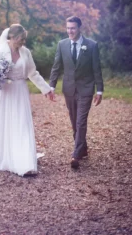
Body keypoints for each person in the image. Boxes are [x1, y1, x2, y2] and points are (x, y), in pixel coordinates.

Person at [0, 24, 54, 176]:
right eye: (21, 39)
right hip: (5, 93)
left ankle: (24, 161)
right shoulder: (1, 51)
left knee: (21, 123)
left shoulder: (26, 52)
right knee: (4, 122)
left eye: (24, 39)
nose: (23, 42)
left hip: (20, 91)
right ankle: (3, 155)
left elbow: (33, 73)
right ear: (13, 38)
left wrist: (46, 89)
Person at [49, 16, 104, 169]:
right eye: (68, 28)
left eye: (73, 28)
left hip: (86, 89)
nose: (70, 31)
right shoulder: (62, 44)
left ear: (79, 28)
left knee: (81, 121)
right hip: (69, 89)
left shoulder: (92, 46)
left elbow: (96, 69)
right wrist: (51, 87)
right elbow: (56, 67)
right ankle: (83, 149)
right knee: (74, 121)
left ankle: (76, 154)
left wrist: (99, 90)